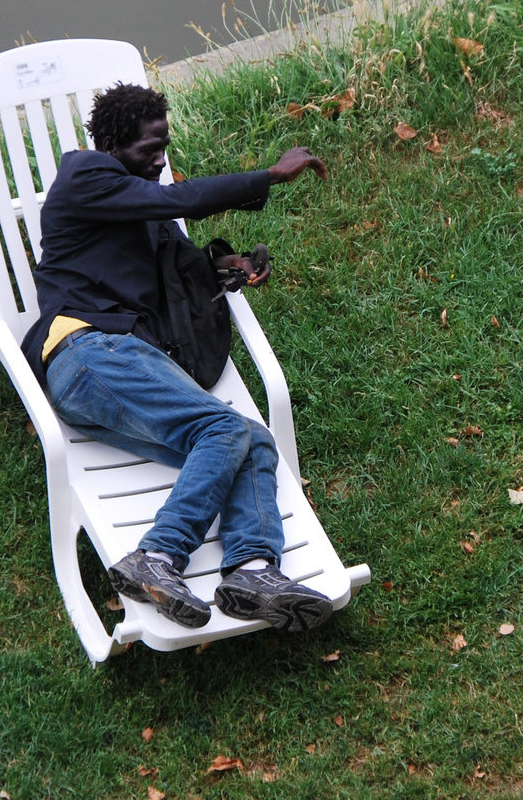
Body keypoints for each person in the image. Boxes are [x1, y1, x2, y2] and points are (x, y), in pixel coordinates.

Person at [19, 82, 332, 632]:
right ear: (113, 143)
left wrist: (227, 267)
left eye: (165, 145)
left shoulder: (144, 213)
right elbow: (174, 199)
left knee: (249, 436)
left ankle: (253, 569)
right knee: (222, 430)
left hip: (119, 370)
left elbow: (177, 272)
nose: (162, 159)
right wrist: (269, 177)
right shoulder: (85, 176)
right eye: (149, 148)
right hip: (86, 352)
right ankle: (158, 557)